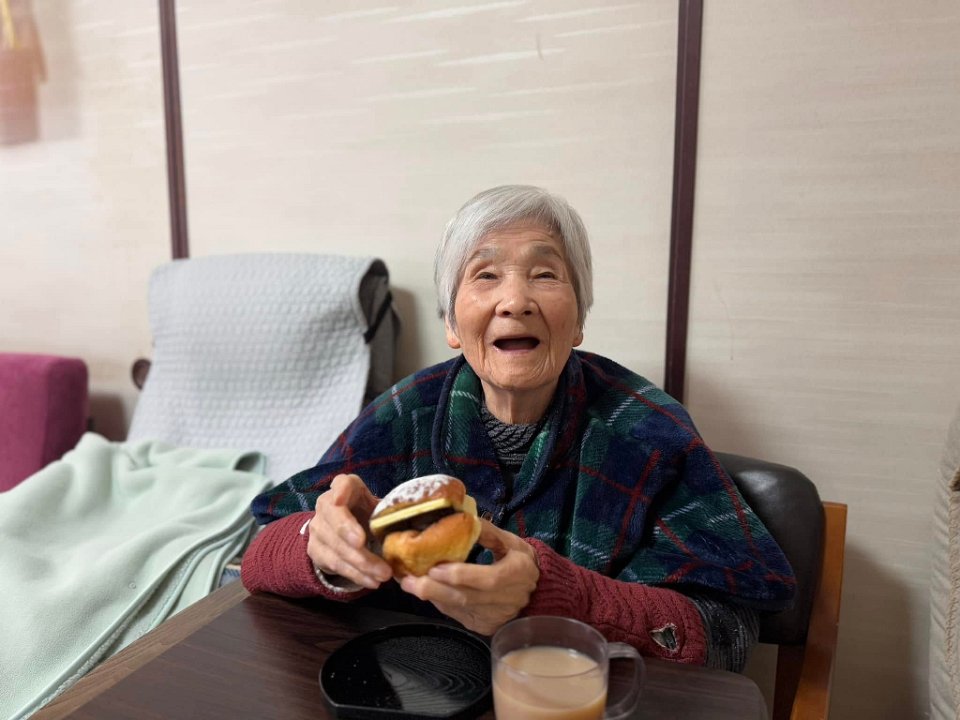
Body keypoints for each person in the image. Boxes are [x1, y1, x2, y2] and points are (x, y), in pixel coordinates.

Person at [241, 185, 795, 672]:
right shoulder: (406, 412)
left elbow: (728, 634)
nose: (515, 301)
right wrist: (321, 548)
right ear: (452, 323)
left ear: (578, 321)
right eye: (485, 276)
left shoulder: (647, 431)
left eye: (544, 274)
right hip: (413, 689)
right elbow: (260, 550)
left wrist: (556, 596)